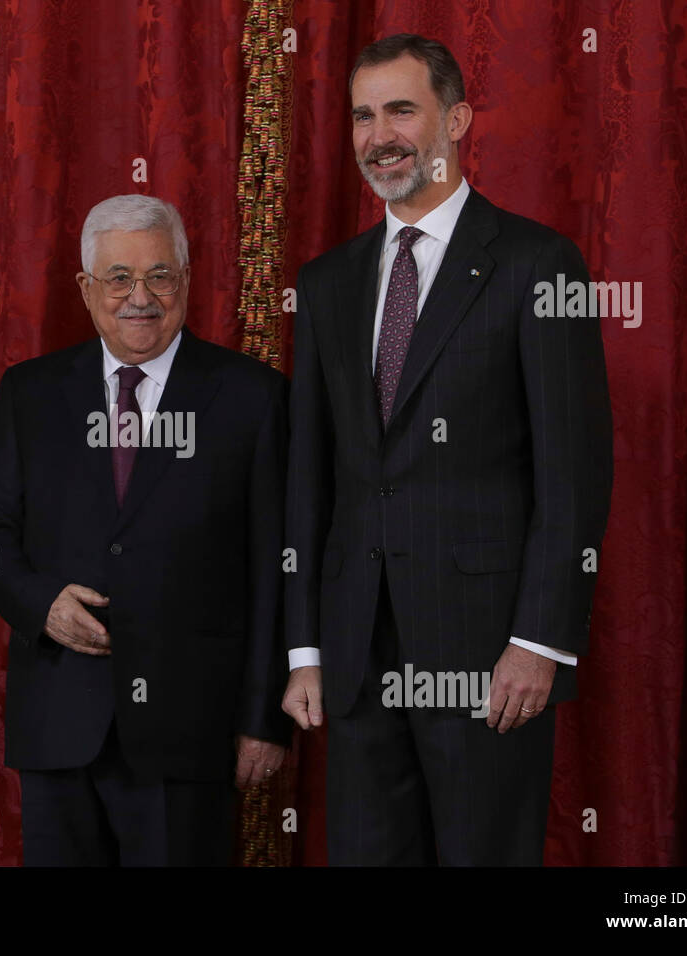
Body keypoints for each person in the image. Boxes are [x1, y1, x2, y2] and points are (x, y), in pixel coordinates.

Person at [281, 34, 613, 865]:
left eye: (400, 108)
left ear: (456, 119)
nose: (378, 134)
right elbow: (309, 476)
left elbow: (573, 473)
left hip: (487, 659)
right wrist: (306, 649)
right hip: (356, 660)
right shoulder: (327, 284)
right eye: (362, 115)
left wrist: (540, 641)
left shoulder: (540, 264)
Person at [0, 194, 292, 866]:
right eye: (118, 278)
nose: (139, 296)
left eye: (159, 275)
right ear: (87, 290)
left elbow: (276, 569)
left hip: (191, 732)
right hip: (60, 721)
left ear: (187, 279)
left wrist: (263, 719)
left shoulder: (253, 397)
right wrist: (42, 604)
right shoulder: (30, 393)